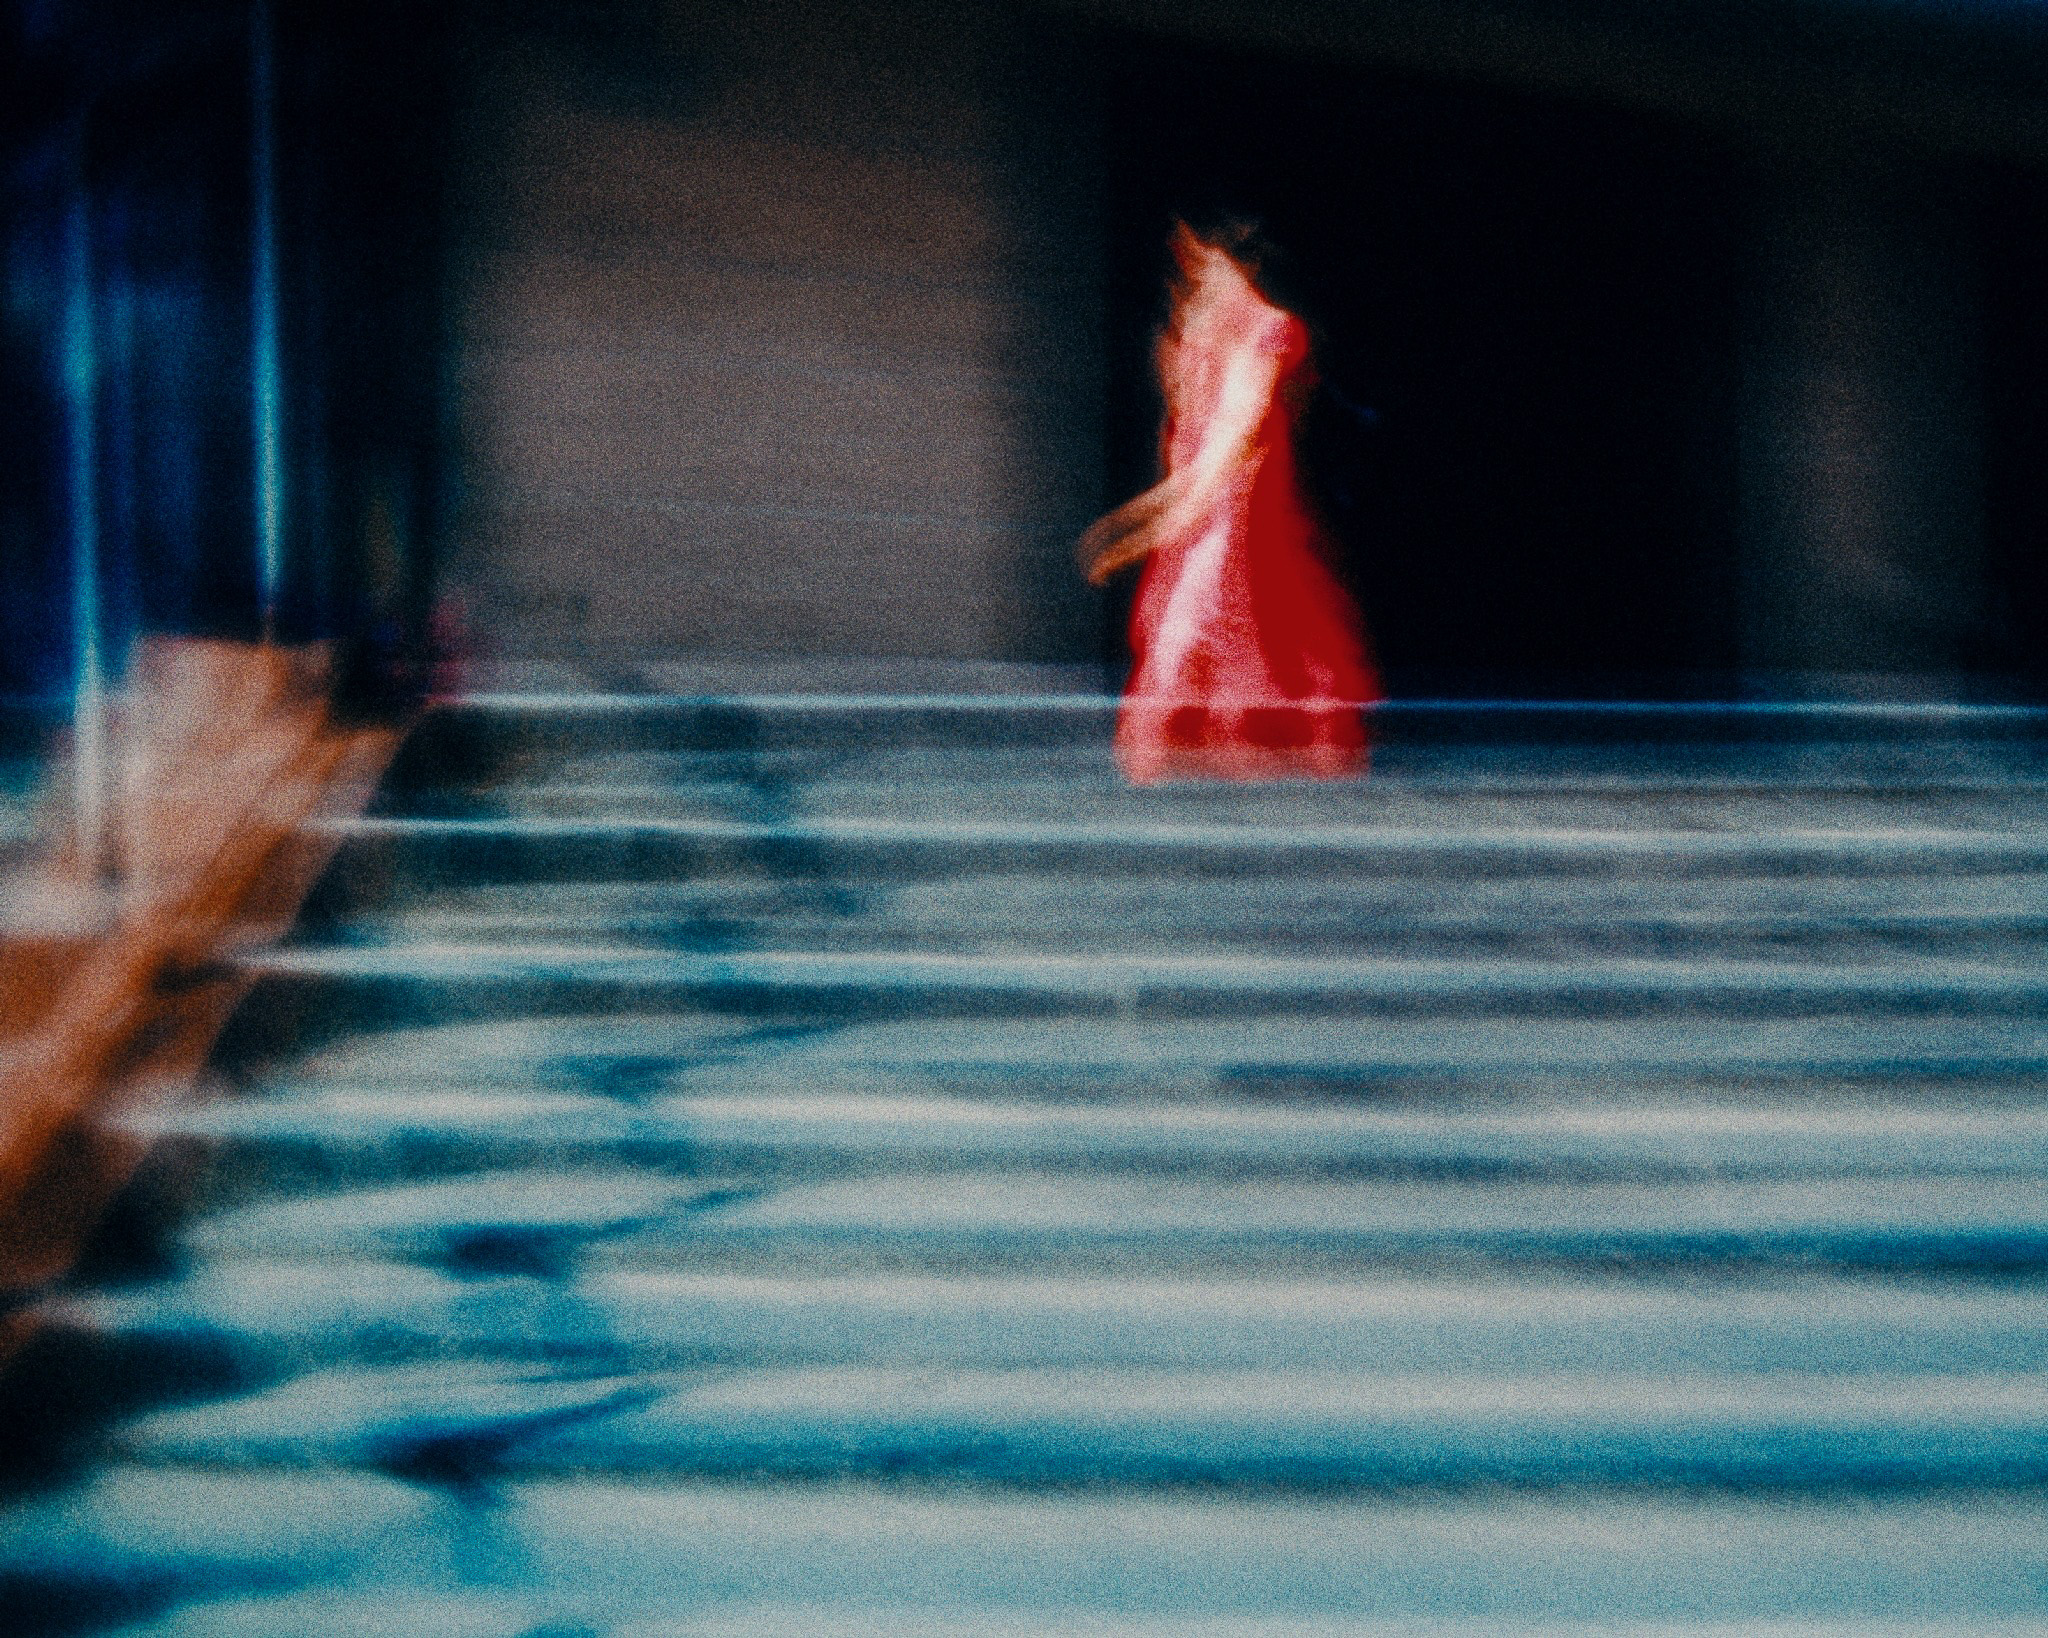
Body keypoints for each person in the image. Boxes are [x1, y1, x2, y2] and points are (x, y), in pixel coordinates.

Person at [1081, 222, 1382, 782]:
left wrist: (1138, 529)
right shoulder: (1203, 339)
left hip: (1236, 527)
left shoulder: (1270, 332)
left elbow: (1227, 450)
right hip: (1203, 527)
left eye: (1202, 257)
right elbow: (1191, 451)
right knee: (1193, 653)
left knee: (1216, 647)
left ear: (1236, 260)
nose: (1191, 270)